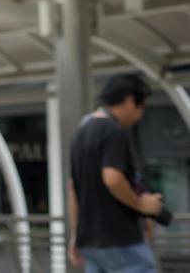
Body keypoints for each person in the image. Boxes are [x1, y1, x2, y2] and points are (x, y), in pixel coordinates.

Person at [69, 73, 164, 272]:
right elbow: (112, 178)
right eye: (142, 106)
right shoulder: (113, 131)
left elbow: (73, 188)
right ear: (130, 101)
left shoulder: (80, 133)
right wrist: (142, 205)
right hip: (120, 238)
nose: (141, 114)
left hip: (90, 241)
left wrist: (75, 234)